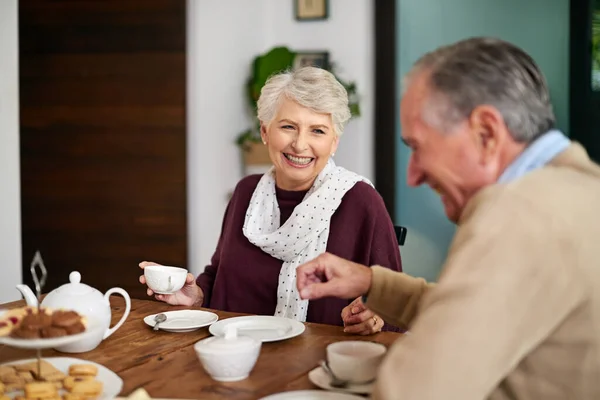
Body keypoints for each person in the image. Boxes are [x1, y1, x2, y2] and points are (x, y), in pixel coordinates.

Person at [296, 37, 600, 399]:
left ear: (486, 133)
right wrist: (372, 282)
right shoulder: (579, 190)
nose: (413, 176)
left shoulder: (518, 213)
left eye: (419, 148)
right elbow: (481, 317)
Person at [139, 66, 403, 335]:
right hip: (233, 357)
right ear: (265, 132)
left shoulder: (360, 201)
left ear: (334, 142)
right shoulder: (246, 193)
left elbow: (395, 304)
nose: (300, 145)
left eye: (318, 131)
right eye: (288, 127)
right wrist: (194, 296)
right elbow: (220, 275)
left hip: (322, 368)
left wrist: (376, 314)